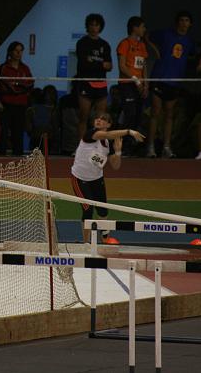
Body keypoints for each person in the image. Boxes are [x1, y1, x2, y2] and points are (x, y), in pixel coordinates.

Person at [71, 113, 145, 243]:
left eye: (103, 119)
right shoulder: (91, 134)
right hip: (80, 179)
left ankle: (105, 237)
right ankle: (85, 243)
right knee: (88, 209)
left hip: (97, 179)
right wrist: (129, 132)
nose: (99, 120)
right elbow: (107, 134)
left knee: (103, 210)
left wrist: (118, 152)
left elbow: (115, 166)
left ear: (109, 124)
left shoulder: (106, 143)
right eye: (97, 118)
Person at [145, 11, 201, 158]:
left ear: (190, 24)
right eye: (182, 20)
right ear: (177, 22)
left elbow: (194, 57)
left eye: (187, 21)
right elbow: (147, 36)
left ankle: (166, 147)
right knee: (155, 112)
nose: (184, 23)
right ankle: (150, 147)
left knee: (169, 115)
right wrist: (155, 51)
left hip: (174, 82)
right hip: (159, 78)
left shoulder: (189, 42)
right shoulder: (165, 34)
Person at [75, 13, 113, 141]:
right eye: (91, 25)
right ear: (87, 26)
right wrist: (101, 64)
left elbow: (110, 66)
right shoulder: (82, 43)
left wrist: (94, 62)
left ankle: (98, 147)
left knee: (100, 119)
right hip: (86, 83)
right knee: (83, 117)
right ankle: (81, 147)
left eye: (96, 25)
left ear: (100, 27)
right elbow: (83, 64)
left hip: (101, 84)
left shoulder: (105, 45)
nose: (94, 27)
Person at [116, 16, 149, 156]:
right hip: (127, 84)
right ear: (135, 28)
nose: (144, 29)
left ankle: (129, 148)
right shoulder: (124, 43)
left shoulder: (142, 45)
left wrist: (146, 84)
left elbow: (144, 66)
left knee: (138, 117)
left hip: (140, 86)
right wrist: (136, 80)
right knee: (129, 115)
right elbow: (122, 66)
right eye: (142, 26)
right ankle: (119, 146)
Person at [0, 41, 34, 156]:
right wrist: (16, 86)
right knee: (3, 130)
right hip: (6, 103)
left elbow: (29, 84)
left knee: (18, 131)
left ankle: (18, 154)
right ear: (10, 52)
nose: (18, 53)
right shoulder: (4, 68)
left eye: (21, 51)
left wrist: (16, 86)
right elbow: (1, 85)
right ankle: (1, 153)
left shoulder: (25, 68)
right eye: (16, 50)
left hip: (21, 104)